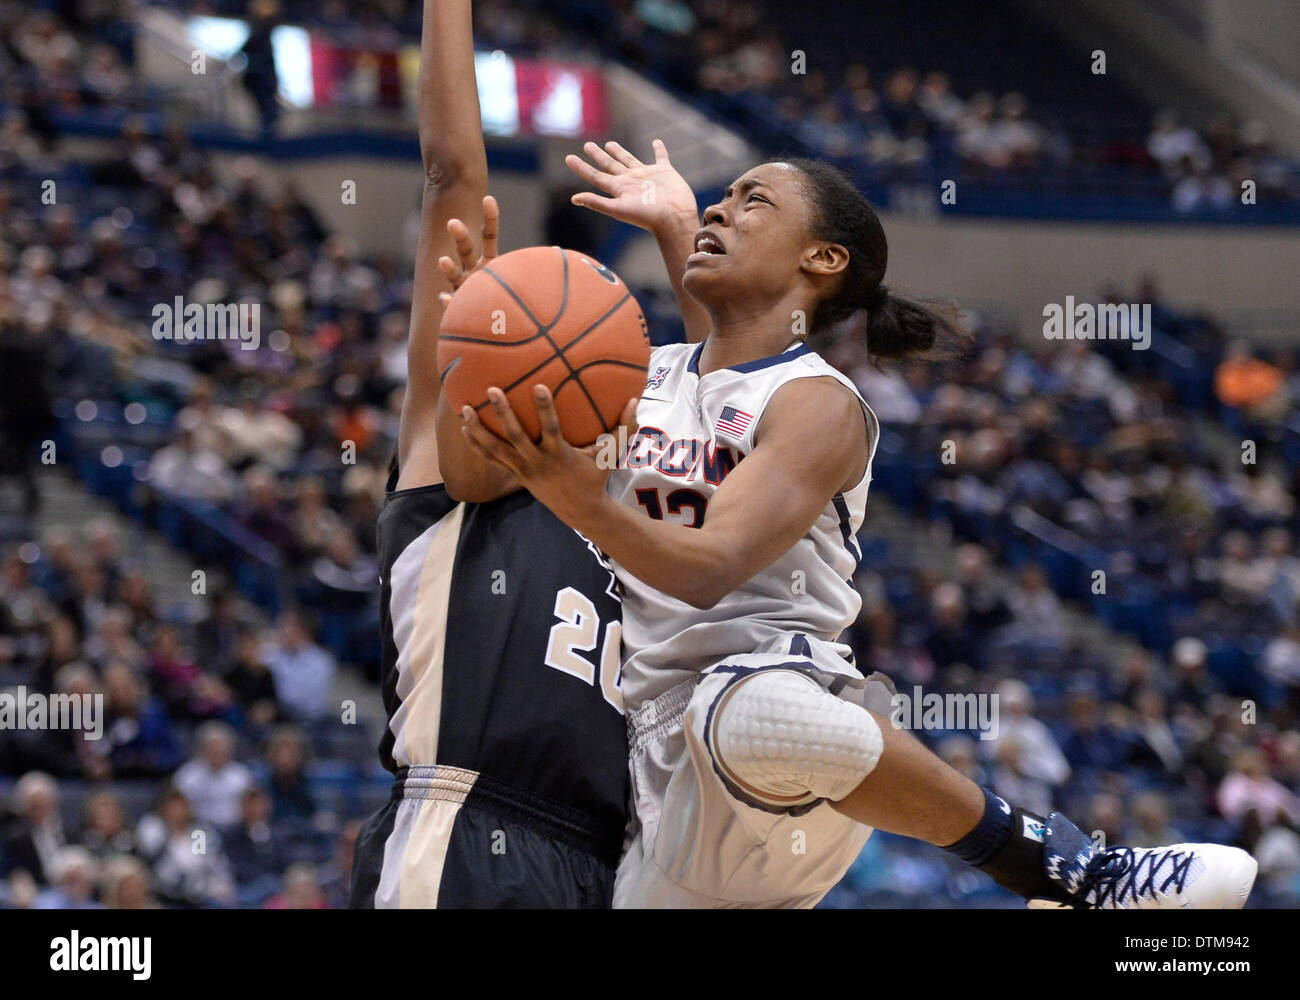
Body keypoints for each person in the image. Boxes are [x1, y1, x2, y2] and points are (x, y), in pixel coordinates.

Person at [461, 142, 1258, 909]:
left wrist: (578, 494)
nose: (719, 207)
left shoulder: (818, 402)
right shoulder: (655, 371)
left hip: (769, 728)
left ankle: (1069, 871)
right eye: (720, 198)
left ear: (824, 260)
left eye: (753, 201)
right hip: (643, 760)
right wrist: (484, 329)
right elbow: (715, 366)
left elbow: (706, 566)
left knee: (746, 705)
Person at [347, 0, 627, 909]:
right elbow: (453, 176)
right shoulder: (447, 460)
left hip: (605, 861)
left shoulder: (633, 517)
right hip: (461, 837)